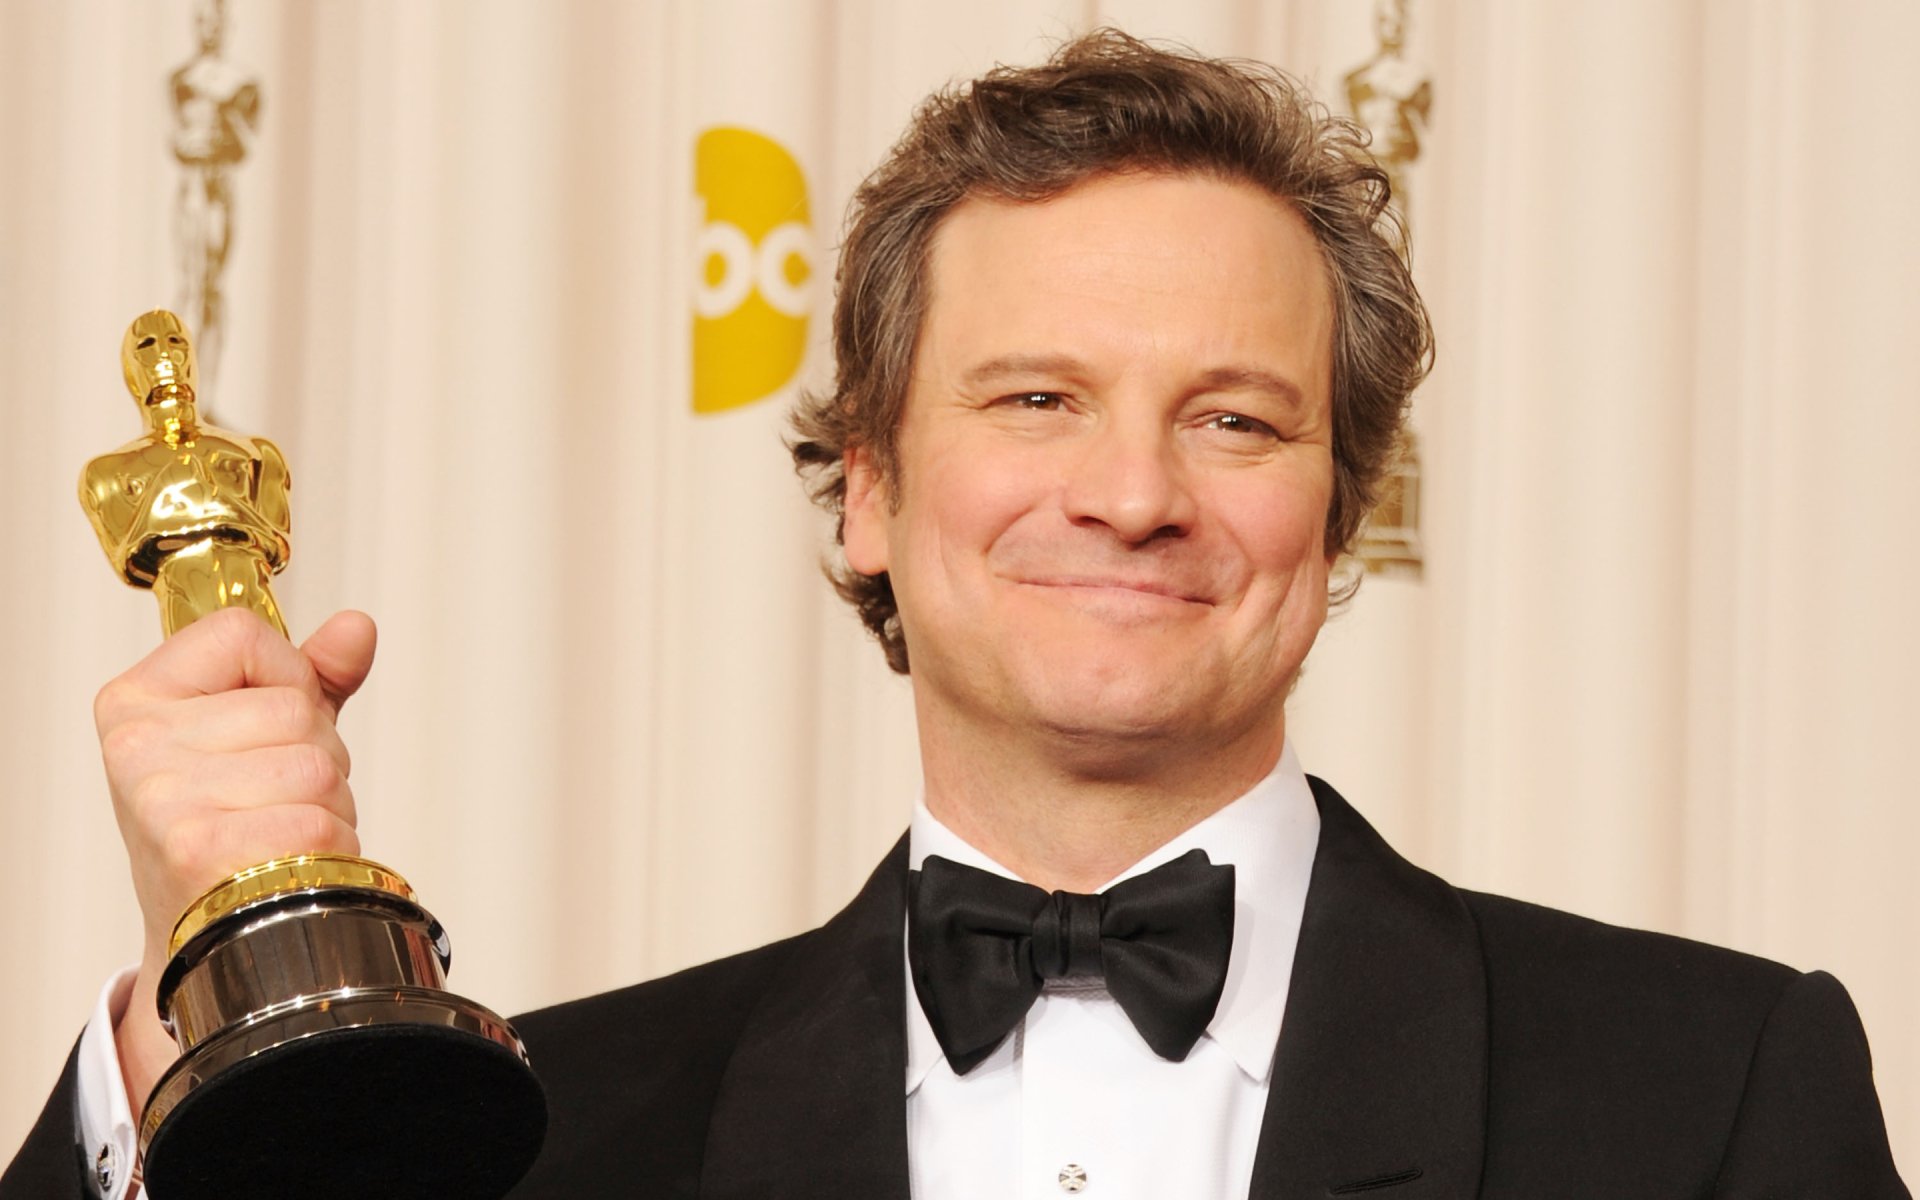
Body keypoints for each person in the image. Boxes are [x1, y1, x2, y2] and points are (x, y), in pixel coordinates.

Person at [3, 30, 1908, 1200]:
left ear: (1339, 520)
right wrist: (206, 1018)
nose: (1136, 492)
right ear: (868, 499)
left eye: (1236, 418)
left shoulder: (1717, 1091)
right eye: (1035, 400)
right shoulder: (540, 1132)